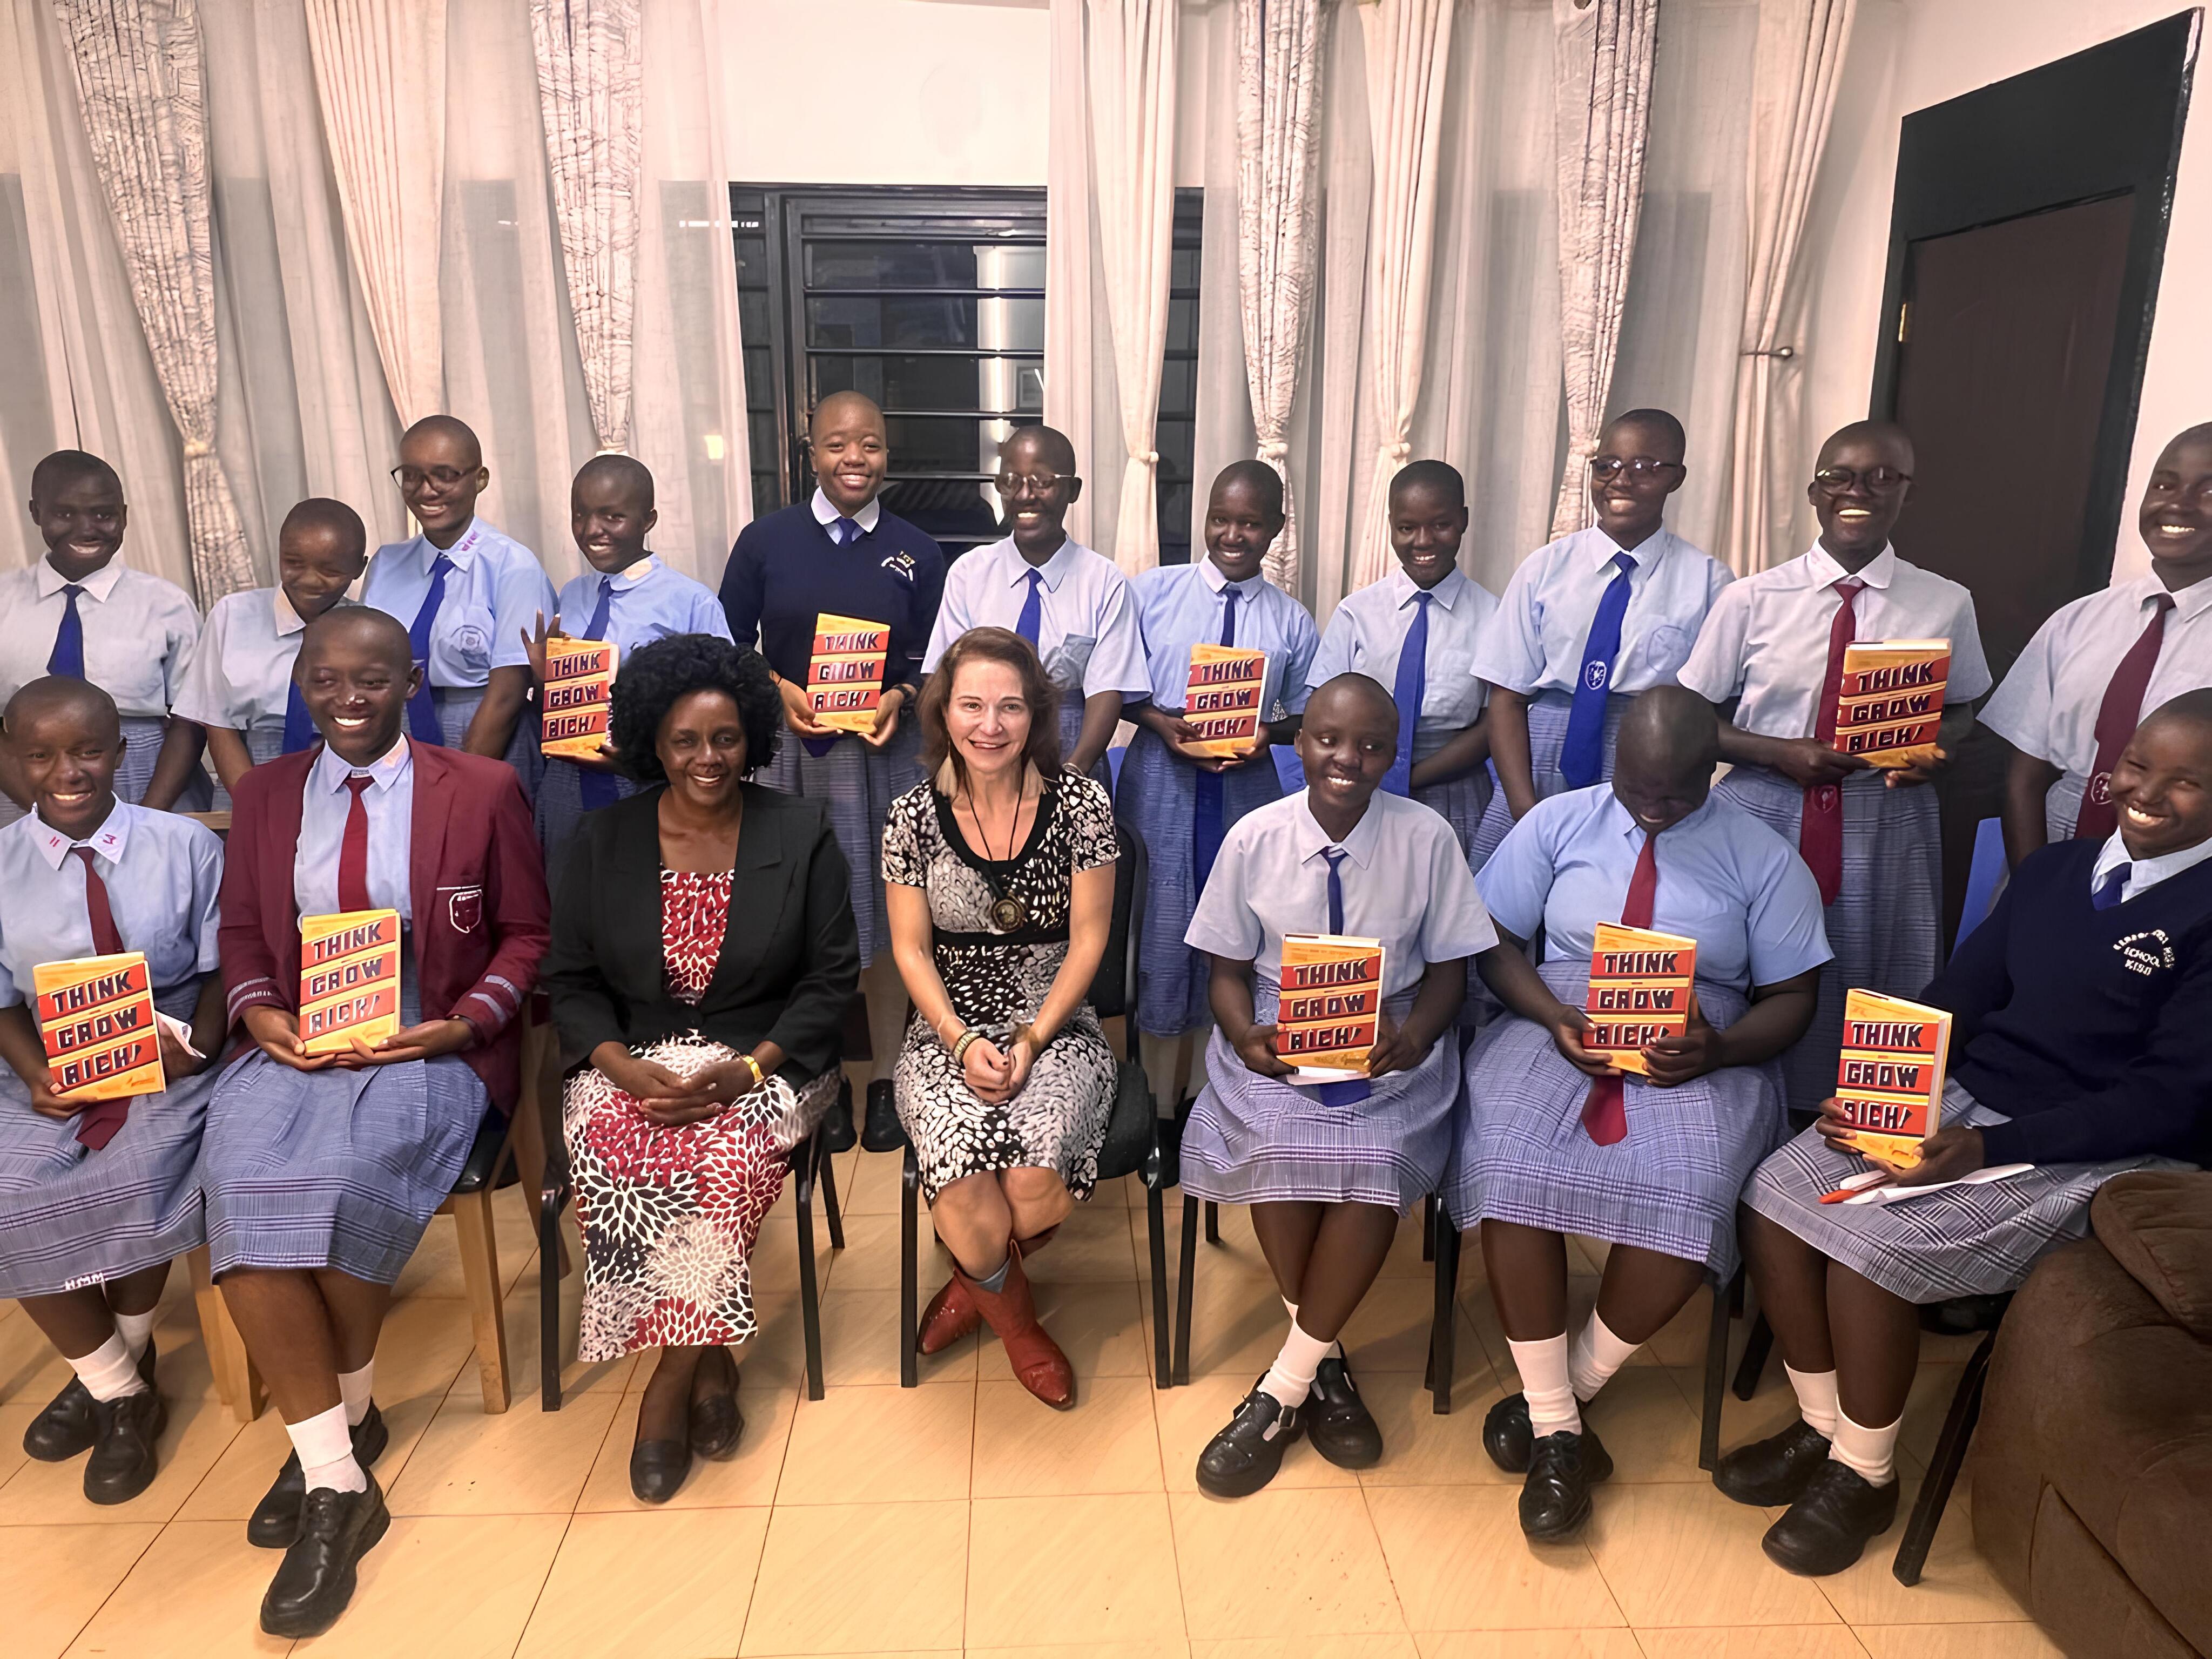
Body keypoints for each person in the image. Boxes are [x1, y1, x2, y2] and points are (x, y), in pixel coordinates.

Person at [1721, 691, 2212, 1576]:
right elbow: (1958, 995)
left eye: (2188, 783)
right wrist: (1876, 1087)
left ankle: (1866, 1479)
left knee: (1873, 1239)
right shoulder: (2053, 872)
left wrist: (1991, 1144)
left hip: (2093, 1148)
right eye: (2139, 765)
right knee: (1775, 1193)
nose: (2148, 791)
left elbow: (2166, 1102)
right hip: (1974, 1100)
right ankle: (1828, 1427)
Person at [201, 607, 549, 1638]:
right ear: (299, 684)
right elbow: (242, 932)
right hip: (298, 1037)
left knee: (350, 1180)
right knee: (244, 1192)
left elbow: (527, 934)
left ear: (409, 683)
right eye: (324, 680)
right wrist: (260, 1011)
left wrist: (459, 1025)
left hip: (423, 1034)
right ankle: (337, 1464)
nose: (347, 699)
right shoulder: (264, 794)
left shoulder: (479, 787)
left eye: (370, 679)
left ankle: (330, 1450)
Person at [1449, 688, 1829, 1542]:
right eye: (1638, 788)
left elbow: (1795, 995)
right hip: (1562, 1009)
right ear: (1616, 763)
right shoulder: (1556, 824)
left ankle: (1565, 1396)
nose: (1653, 809)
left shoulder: (1763, 857)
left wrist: (1722, 1051)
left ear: (1713, 771)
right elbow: (1492, 941)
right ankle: (1560, 1435)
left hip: (1705, 1027)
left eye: (1675, 794)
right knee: (1508, 1158)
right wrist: (1552, 1015)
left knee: (1689, 1185)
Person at [543, 635, 858, 1502]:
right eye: (685, 741)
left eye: (724, 739)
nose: (707, 758)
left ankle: (665, 1389)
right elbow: (567, 983)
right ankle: (713, 1357)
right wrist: (616, 1065)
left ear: (752, 738)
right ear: (654, 740)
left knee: (720, 1162)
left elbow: (831, 981)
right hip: (632, 1056)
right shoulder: (602, 838)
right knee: (617, 1151)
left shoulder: (800, 831)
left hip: (767, 1060)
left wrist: (749, 1071)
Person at [1180, 673, 1496, 1497]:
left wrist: (1415, 1038)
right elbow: (1222, 975)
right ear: (1299, 740)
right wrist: (1245, 1036)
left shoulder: (1428, 837)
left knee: (1377, 1164)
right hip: (1278, 1030)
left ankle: (1283, 1386)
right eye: (1328, 739)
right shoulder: (1254, 836)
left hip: (1391, 1035)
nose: (1347, 759)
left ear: (1394, 753)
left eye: (1370, 745)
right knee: (1277, 1141)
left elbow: (1453, 976)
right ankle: (1322, 1368)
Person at [1678, 422, 1992, 1116]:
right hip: (1764, 807)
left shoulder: (1944, 601)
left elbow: (1964, 710)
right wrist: (1775, 752)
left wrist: (1930, 749)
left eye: (1883, 477)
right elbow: (1690, 721)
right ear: (1815, 491)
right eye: (1840, 477)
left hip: (1886, 810)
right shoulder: (1752, 599)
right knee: (1758, 963)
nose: (1859, 492)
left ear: (1906, 493)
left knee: (1877, 970)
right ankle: (1741, 1113)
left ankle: (1859, 1132)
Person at [883, 626, 1120, 1408]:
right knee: (960, 1180)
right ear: (943, 711)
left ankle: (971, 1281)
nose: (990, 725)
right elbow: (911, 952)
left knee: (1030, 1186)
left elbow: (1089, 940)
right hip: (946, 1026)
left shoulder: (1081, 803)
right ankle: (1018, 1326)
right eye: (972, 705)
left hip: (1056, 1019)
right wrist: (959, 1039)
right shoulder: (911, 817)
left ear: (1037, 716)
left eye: (1011, 707)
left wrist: (1030, 1036)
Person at [0, 679, 224, 1503]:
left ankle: (114, 1361)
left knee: (138, 1169)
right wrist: (35, 1076)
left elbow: (219, 970)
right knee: (4, 1191)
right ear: (15, 762)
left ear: (121, 754)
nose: (68, 770)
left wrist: (193, 1053)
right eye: (42, 755)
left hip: (166, 1055)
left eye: (89, 750)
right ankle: (120, 1389)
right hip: (45, 1058)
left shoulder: (187, 846)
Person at [720, 393, 945, 1149]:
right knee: (802, 919)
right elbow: (728, 644)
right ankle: (822, 1078)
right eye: (839, 445)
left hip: (883, 756)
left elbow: (930, 661)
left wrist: (901, 695)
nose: (856, 459)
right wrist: (773, 688)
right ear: (810, 453)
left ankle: (883, 1077)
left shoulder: (919, 550)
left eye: (872, 446)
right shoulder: (764, 541)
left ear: (888, 456)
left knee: (887, 917)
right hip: (791, 757)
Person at [1120, 461, 1319, 1112]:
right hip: (1161, 779)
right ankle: (1154, 1106)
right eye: (1220, 520)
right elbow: (1119, 689)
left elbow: (1306, 715)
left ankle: (1210, 1101)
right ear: (1204, 518)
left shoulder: (1291, 621)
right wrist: (1159, 720)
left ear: (1275, 530)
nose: (1233, 535)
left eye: (1250, 523)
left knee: (1233, 934)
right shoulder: (1151, 593)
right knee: (1159, 934)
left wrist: (1269, 732)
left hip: (1245, 791)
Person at [1469, 410, 1731, 865]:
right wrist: (1523, 809)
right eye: (1607, 465)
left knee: (1616, 892)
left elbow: (1710, 709)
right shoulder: (1545, 569)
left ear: (1677, 477)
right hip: (1540, 756)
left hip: (1647, 760)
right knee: (1497, 903)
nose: (1621, 481)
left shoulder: (1709, 582)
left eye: (1644, 467)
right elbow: (1507, 698)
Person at [1984, 423, 2212, 865]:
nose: (2179, 504)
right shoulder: (2078, 620)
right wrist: (2033, 881)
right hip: (2059, 835)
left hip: (2184, 854)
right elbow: (2026, 772)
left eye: (2208, 492)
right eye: (2165, 483)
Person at [532, 455, 732, 888]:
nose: (591, 530)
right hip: (568, 781)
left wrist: (650, 759)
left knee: (642, 905)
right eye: (581, 514)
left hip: (644, 782)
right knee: (568, 903)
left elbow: (723, 706)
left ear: (648, 520)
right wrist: (542, 678)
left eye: (613, 516)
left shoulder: (690, 602)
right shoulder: (573, 593)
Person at [921, 425, 1148, 781]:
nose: (1026, 495)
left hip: (1074, 754)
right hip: (982, 752)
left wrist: (1074, 776)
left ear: (1072, 490)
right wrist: (957, 762)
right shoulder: (968, 573)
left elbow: (1107, 690)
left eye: (1043, 481)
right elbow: (942, 679)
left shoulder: (1104, 580)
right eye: (1012, 480)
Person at [1307, 462, 1499, 868]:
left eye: (1441, 525)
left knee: (1451, 918)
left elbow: (1494, 724)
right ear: (1391, 525)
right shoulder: (1356, 613)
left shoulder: (1494, 616)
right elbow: (1319, 713)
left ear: (1463, 521)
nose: (1423, 541)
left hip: (1455, 793)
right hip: (1360, 792)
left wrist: (1410, 779)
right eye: (1407, 528)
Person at [0, 450, 205, 821]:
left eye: (104, 515)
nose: (87, 528)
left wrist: (149, 818)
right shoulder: (4, 602)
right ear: (36, 512)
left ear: (124, 516)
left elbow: (191, 721)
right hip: (20, 784)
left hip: (147, 779)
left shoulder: (166, 604)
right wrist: (38, 812)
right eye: (64, 514)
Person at [360, 415, 558, 797]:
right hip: (396, 734)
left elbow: (507, 694)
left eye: (445, 474)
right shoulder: (386, 564)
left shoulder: (512, 565)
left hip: (485, 734)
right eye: (412, 475)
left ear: (480, 479)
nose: (426, 490)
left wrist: (459, 783)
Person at [172, 499, 368, 795]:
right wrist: (254, 804)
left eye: (329, 570)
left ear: (358, 567)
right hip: (244, 777)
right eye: (294, 563)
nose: (310, 580)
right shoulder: (232, 615)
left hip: (343, 780)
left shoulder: (371, 632)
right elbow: (219, 725)